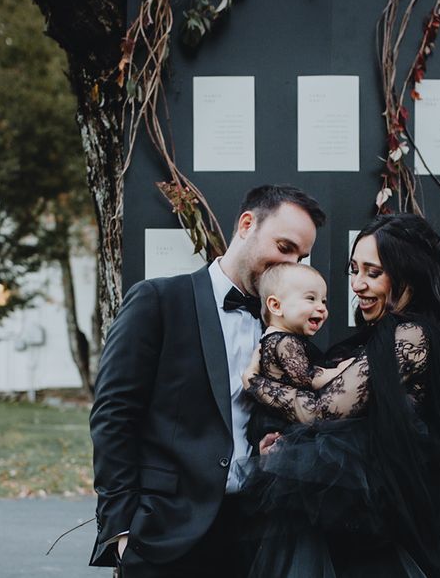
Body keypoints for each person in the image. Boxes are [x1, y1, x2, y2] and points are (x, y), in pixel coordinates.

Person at [89, 184, 325, 578]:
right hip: (164, 534)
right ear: (247, 224)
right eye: (284, 248)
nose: (290, 265)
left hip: (254, 535)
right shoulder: (158, 300)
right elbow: (113, 416)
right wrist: (121, 532)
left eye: (300, 257)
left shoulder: (286, 328)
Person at [242, 213, 440, 578]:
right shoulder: (380, 336)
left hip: (384, 534)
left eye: (373, 272)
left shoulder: (410, 335)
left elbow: (320, 412)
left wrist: (255, 384)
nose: (357, 285)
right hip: (361, 529)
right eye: (353, 270)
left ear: (408, 273)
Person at [253, 262, 353, 396]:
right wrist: (342, 370)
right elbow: (309, 378)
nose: (321, 307)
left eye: (323, 301)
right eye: (311, 298)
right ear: (276, 306)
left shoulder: (284, 339)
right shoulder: (283, 341)